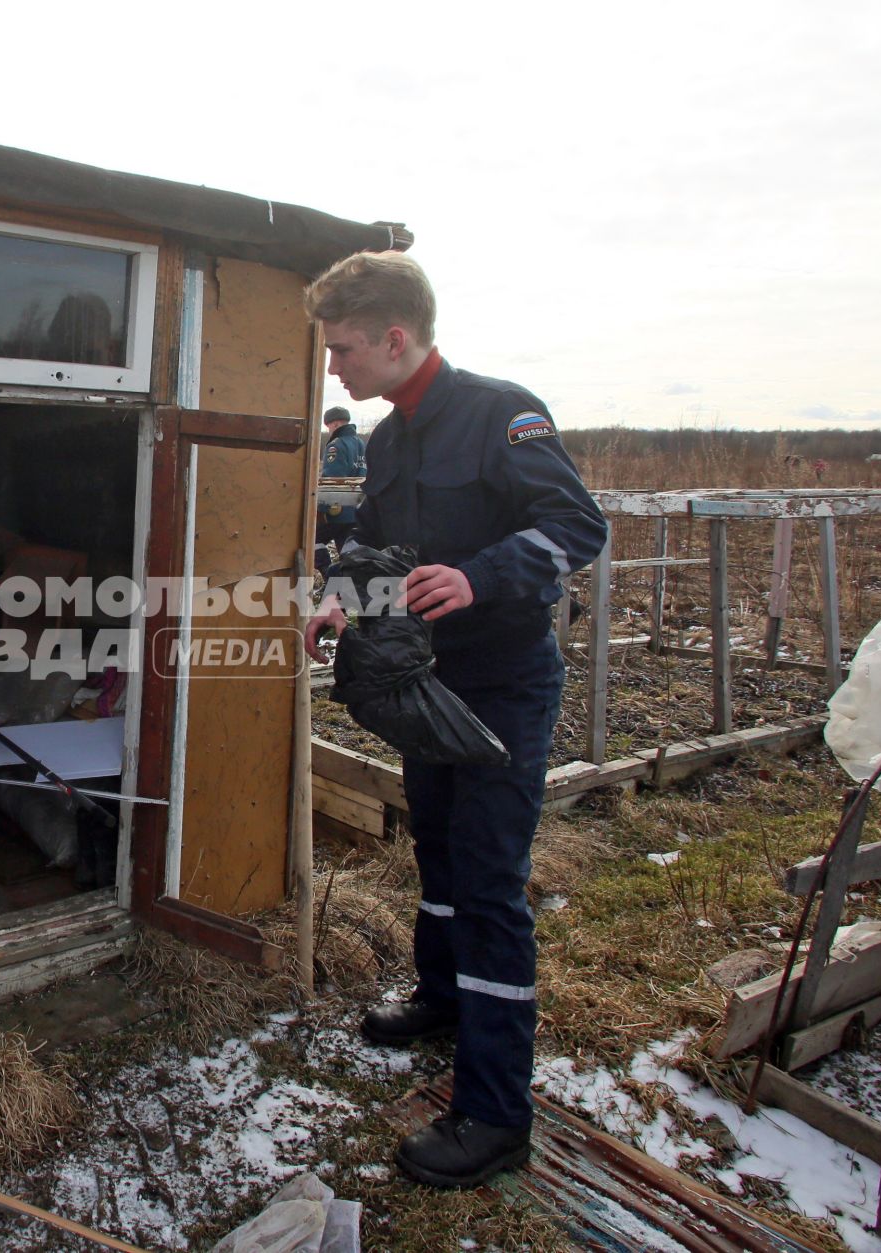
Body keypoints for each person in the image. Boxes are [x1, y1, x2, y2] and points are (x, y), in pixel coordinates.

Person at [299, 251, 606, 1189]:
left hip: (506, 684)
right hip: (427, 682)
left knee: (487, 882)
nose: (334, 370)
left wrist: (482, 575)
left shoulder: (500, 413)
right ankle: (440, 997)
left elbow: (576, 527)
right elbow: (378, 543)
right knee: (434, 843)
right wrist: (341, 595)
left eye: (343, 350)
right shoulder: (388, 441)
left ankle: (495, 1109)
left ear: (395, 338)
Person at [320, 407, 366, 478]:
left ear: (335, 425)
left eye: (329, 427)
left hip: (343, 489)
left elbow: (332, 479)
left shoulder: (335, 446)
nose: (329, 431)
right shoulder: (361, 443)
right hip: (360, 489)